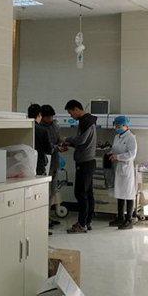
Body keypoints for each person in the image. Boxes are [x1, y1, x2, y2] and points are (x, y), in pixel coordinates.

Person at [61, 100, 97, 234]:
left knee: (80, 194)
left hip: (85, 163)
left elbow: (81, 140)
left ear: (76, 109)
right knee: (88, 193)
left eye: (71, 112)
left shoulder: (85, 121)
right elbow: (83, 142)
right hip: (88, 162)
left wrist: (67, 139)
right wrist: (71, 144)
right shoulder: (89, 121)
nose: (71, 116)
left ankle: (82, 225)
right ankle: (87, 221)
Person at [109, 116, 138, 230]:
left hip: (126, 169)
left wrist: (118, 157)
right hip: (117, 168)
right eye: (116, 126)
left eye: (119, 126)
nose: (117, 128)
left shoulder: (131, 138)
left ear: (125, 126)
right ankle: (120, 217)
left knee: (128, 194)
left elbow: (132, 154)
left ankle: (129, 219)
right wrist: (111, 154)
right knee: (119, 193)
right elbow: (114, 149)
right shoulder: (117, 137)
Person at [40, 105, 62, 227]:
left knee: (52, 191)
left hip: (54, 162)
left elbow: (58, 140)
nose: (50, 119)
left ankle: (47, 217)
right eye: (48, 117)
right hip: (44, 163)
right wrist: (57, 147)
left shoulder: (55, 126)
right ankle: (43, 219)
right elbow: (46, 147)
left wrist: (61, 145)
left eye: (52, 117)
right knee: (44, 192)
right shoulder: (39, 128)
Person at [27, 103, 51, 177]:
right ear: (39, 115)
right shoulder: (42, 130)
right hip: (39, 164)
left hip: (26, 164)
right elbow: (48, 150)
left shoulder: (24, 128)